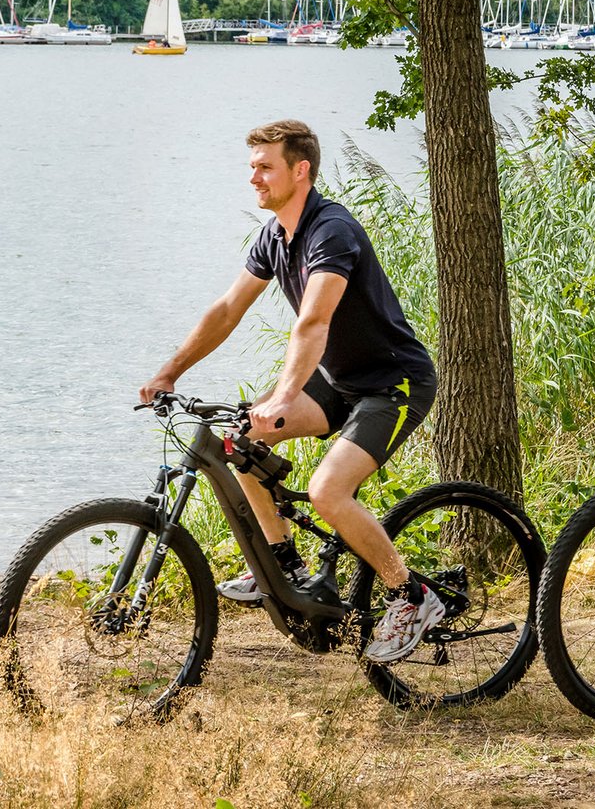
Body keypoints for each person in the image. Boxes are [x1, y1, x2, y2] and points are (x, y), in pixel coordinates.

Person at [140, 119, 443, 662]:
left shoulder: (332, 231)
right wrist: (170, 372)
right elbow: (227, 310)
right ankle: (283, 566)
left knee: (328, 492)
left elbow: (313, 322)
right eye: (251, 167)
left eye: (265, 167)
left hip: (393, 384)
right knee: (241, 442)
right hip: (338, 380)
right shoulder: (274, 236)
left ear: (300, 170)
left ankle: (411, 595)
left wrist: (282, 397)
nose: (253, 177)